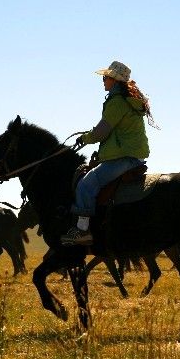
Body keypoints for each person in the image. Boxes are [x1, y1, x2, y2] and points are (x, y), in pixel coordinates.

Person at [60, 61, 153, 246]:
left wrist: (85, 138)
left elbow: (102, 132)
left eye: (105, 77)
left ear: (114, 80)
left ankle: (82, 231)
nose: (103, 81)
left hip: (124, 157)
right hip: (132, 155)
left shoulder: (117, 102)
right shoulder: (126, 101)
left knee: (86, 185)